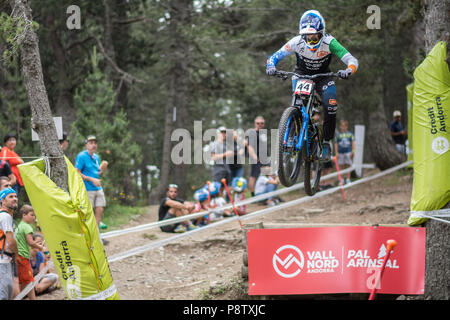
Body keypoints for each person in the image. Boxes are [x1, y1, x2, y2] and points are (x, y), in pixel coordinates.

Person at [266, 10, 359, 162]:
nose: (311, 39)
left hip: (323, 77)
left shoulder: (330, 42)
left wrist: (349, 70)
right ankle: (291, 135)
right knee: (297, 103)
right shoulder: (296, 42)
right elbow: (274, 56)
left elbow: (352, 59)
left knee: (331, 106)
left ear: (321, 32)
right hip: (301, 74)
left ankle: (327, 141)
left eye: (314, 35)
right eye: (307, 36)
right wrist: (271, 66)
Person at [75, 135, 109, 245]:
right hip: (87, 189)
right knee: (88, 215)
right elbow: (77, 172)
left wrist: (102, 171)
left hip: (98, 188)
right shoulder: (81, 156)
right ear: (86, 144)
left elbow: (98, 174)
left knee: (99, 213)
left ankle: (98, 237)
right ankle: (87, 239)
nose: (93, 145)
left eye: (95, 143)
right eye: (91, 142)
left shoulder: (97, 157)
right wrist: (91, 179)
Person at [14, 205, 44, 300]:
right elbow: (30, 242)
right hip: (23, 257)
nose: (33, 217)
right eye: (32, 215)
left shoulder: (19, 226)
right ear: (24, 215)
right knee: (29, 282)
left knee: (23, 281)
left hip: (18, 257)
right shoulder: (27, 227)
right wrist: (40, 247)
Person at [0, 188, 19, 300]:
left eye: (15, 196)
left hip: (4, 259)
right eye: (10, 197)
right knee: (4, 295)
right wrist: (16, 254)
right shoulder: (5, 216)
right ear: (2, 200)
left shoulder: (5, 216)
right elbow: (11, 241)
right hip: (3, 260)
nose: (15, 199)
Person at [247, 116, 267, 197]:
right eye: (258, 123)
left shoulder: (263, 133)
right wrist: (255, 157)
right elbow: (249, 146)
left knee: (266, 175)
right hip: (257, 159)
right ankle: (253, 196)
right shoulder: (253, 133)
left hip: (265, 159)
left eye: (262, 123)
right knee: (253, 177)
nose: (260, 125)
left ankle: (266, 195)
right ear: (255, 124)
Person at [211, 127, 234, 196]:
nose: (223, 134)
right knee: (217, 188)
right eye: (222, 132)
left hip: (226, 168)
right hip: (218, 169)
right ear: (218, 134)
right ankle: (217, 203)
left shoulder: (226, 144)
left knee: (224, 188)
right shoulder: (215, 144)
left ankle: (224, 203)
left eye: (225, 133)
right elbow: (214, 157)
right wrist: (226, 154)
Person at [334, 120, 355, 184]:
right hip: (340, 153)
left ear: (347, 126)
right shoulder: (338, 135)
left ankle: (348, 179)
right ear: (340, 127)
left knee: (348, 165)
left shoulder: (350, 134)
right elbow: (336, 144)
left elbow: (353, 143)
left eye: (345, 126)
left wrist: (353, 151)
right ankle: (342, 179)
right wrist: (336, 152)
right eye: (342, 126)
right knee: (341, 166)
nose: (343, 127)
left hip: (348, 152)